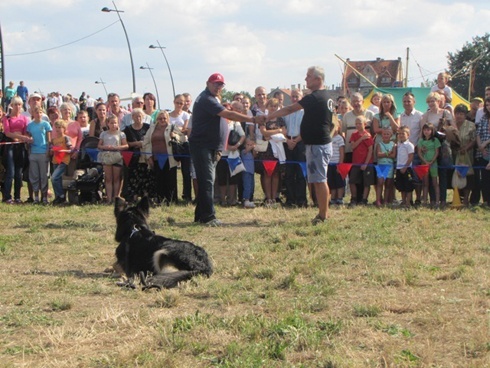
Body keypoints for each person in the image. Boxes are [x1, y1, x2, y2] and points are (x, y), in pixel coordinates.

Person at [266, 66, 334, 224]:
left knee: (320, 179)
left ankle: (323, 215)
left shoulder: (315, 97)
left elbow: (290, 108)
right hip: (315, 144)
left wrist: (269, 116)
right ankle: (322, 212)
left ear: (318, 79)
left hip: (318, 144)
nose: (305, 79)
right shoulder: (327, 96)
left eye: (309, 76)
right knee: (317, 179)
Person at [188, 72, 259, 226]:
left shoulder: (211, 98)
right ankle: (209, 217)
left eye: (220, 84)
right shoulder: (207, 99)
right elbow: (228, 114)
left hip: (208, 146)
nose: (218, 87)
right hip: (202, 146)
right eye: (215, 83)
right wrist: (252, 119)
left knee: (206, 180)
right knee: (207, 181)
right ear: (208, 83)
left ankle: (201, 214)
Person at [341, 92, 374, 203]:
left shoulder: (369, 114)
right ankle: (354, 198)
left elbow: (372, 132)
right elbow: (343, 132)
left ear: (363, 101)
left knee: (364, 178)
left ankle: (363, 199)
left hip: (366, 151)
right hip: (351, 149)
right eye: (353, 101)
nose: (356, 103)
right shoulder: (347, 115)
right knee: (353, 176)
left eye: (358, 101)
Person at [143, 110, 178, 205]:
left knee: (170, 180)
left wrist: (175, 136)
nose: (162, 120)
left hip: (170, 158)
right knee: (159, 179)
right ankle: (160, 199)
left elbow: (181, 138)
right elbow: (146, 143)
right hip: (156, 158)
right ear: (157, 119)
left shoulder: (172, 127)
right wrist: (149, 156)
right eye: (160, 118)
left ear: (168, 118)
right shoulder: (151, 129)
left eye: (164, 118)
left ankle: (171, 200)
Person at [216, 101, 246, 206]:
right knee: (222, 179)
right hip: (222, 155)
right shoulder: (218, 121)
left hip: (233, 154)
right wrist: (226, 147)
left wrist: (236, 145)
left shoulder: (235, 122)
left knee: (233, 179)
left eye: (228, 108)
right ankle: (223, 200)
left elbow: (242, 135)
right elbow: (217, 137)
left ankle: (232, 200)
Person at [283, 89, 307, 207]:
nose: (294, 99)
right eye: (292, 96)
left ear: (301, 97)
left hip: (300, 143)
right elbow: (282, 128)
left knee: (301, 173)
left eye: (297, 96)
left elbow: (306, 129)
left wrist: (296, 141)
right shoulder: (287, 111)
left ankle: (301, 200)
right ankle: (290, 199)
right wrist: (288, 141)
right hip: (288, 143)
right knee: (289, 173)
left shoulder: (305, 112)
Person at [123, 108, 152, 203]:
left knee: (146, 177)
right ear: (132, 117)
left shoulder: (148, 127)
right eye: (136, 116)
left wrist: (143, 144)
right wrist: (136, 143)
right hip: (132, 157)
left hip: (145, 157)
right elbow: (125, 142)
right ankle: (133, 197)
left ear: (143, 117)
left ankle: (145, 197)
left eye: (140, 116)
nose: (138, 118)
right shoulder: (127, 129)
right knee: (133, 177)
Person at [98, 115, 128, 204]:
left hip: (117, 157)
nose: (113, 125)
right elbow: (99, 145)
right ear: (108, 123)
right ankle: (109, 198)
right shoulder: (103, 134)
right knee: (108, 179)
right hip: (107, 157)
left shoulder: (121, 134)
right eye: (111, 123)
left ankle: (116, 198)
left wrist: (116, 147)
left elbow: (126, 145)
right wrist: (105, 147)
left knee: (116, 178)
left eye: (115, 123)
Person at [400, 92, 424, 204]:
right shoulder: (401, 116)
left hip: (416, 150)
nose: (407, 103)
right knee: (405, 177)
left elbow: (422, 132)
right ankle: (406, 200)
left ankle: (418, 198)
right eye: (404, 101)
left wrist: (416, 145)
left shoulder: (420, 115)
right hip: (404, 152)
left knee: (416, 176)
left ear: (414, 102)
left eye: (409, 101)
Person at [26, 106, 52, 204]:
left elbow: (48, 139)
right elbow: (28, 138)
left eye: (40, 112)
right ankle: (36, 196)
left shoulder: (46, 124)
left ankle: (44, 197)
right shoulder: (30, 125)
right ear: (33, 113)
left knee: (44, 176)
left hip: (43, 152)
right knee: (34, 176)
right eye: (36, 112)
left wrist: (48, 150)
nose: (38, 114)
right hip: (33, 152)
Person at [169, 94, 192, 203]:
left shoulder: (186, 115)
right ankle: (173, 196)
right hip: (172, 144)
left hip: (184, 144)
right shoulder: (168, 115)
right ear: (174, 102)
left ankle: (187, 195)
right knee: (172, 171)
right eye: (177, 102)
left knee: (186, 172)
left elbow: (185, 129)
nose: (179, 105)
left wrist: (175, 130)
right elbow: (167, 129)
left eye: (181, 103)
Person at [349, 115, 374, 207]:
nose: (358, 125)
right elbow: (353, 146)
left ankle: (364, 199)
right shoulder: (354, 135)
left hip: (366, 163)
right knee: (352, 181)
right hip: (356, 162)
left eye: (360, 123)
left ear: (364, 124)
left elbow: (370, 150)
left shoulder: (368, 136)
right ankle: (354, 198)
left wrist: (366, 163)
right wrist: (361, 139)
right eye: (356, 124)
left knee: (366, 182)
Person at [453, 104, 476, 206]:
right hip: (454, 154)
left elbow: (474, 140)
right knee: (455, 176)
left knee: (467, 175)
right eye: (457, 113)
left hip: (467, 154)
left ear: (465, 114)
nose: (459, 116)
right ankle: (457, 198)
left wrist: (466, 148)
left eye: (461, 114)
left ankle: (466, 198)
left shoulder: (471, 125)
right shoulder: (451, 124)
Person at [418, 123, 441, 207]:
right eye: (425, 130)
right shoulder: (421, 141)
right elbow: (419, 152)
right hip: (424, 164)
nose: (426, 132)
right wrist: (424, 161)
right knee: (425, 183)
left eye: (428, 130)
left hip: (433, 164)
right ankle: (424, 200)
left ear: (432, 131)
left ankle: (437, 201)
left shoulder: (435, 140)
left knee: (435, 182)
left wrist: (432, 161)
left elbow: (437, 152)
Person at [50, 120, 73, 205]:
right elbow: (52, 150)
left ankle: (62, 196)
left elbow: (70, 149)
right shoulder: (54, 140)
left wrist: (63, 150)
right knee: (57, 179)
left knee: (54, 178)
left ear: (64, 129)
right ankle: (58, 197)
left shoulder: (66, 138)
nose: (58, 129)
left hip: (63, 161)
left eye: (60, 127)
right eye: (56, 127)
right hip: (55, 160)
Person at [395, 126, 415, 208]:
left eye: (403, 133)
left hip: (407, 169)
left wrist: (405, 167)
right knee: (401, 186)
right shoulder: (398, 144)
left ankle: (408, 202)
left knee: (408, 186)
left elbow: (410, 157)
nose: (401, 135)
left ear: (408, 135)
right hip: (399, 168)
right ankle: (403, 201)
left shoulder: (409, 145)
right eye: (399, 134)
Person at [475, 97, 490, 206]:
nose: (489, 107)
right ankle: (486, 200)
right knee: (484, 178)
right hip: (483, 152)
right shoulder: (483, 118)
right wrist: (481, 146)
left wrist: (486, 143)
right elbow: (478, 133)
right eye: (487, 105)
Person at [375, 128, 396, 207]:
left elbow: (393, 155)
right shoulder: (379, 144)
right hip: (381, 165)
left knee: (388, 184)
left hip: (390, 165)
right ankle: (378, 200)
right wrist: (388, 153)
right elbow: (378, 154)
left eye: (388, 134)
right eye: (384, 134)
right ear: (382, 135)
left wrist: (384, 154)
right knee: (380, 183)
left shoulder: (393, 144)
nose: (386, 135)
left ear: (391, 135)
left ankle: (386, 201)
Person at [328, 119, 345, 205]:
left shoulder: (339, 138)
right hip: (329, 164)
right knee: (332, 183)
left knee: (339, 182)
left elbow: (341, 152)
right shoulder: (328, 138)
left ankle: (340, 198)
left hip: (337, 163)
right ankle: (333, 198)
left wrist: (340, 164)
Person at [241, 138, 256, 208]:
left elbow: (255, 155)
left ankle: (250, 199)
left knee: (251, 186)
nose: (249, 146)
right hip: (246, 171)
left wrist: (254, 149)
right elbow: (246, 151)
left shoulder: (251, 153)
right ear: (244, 145)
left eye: (251, 144)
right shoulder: (244, 151)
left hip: (251, 171)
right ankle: (246, 199)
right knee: (247, 186)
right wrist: (251, 147)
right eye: (248, 144)